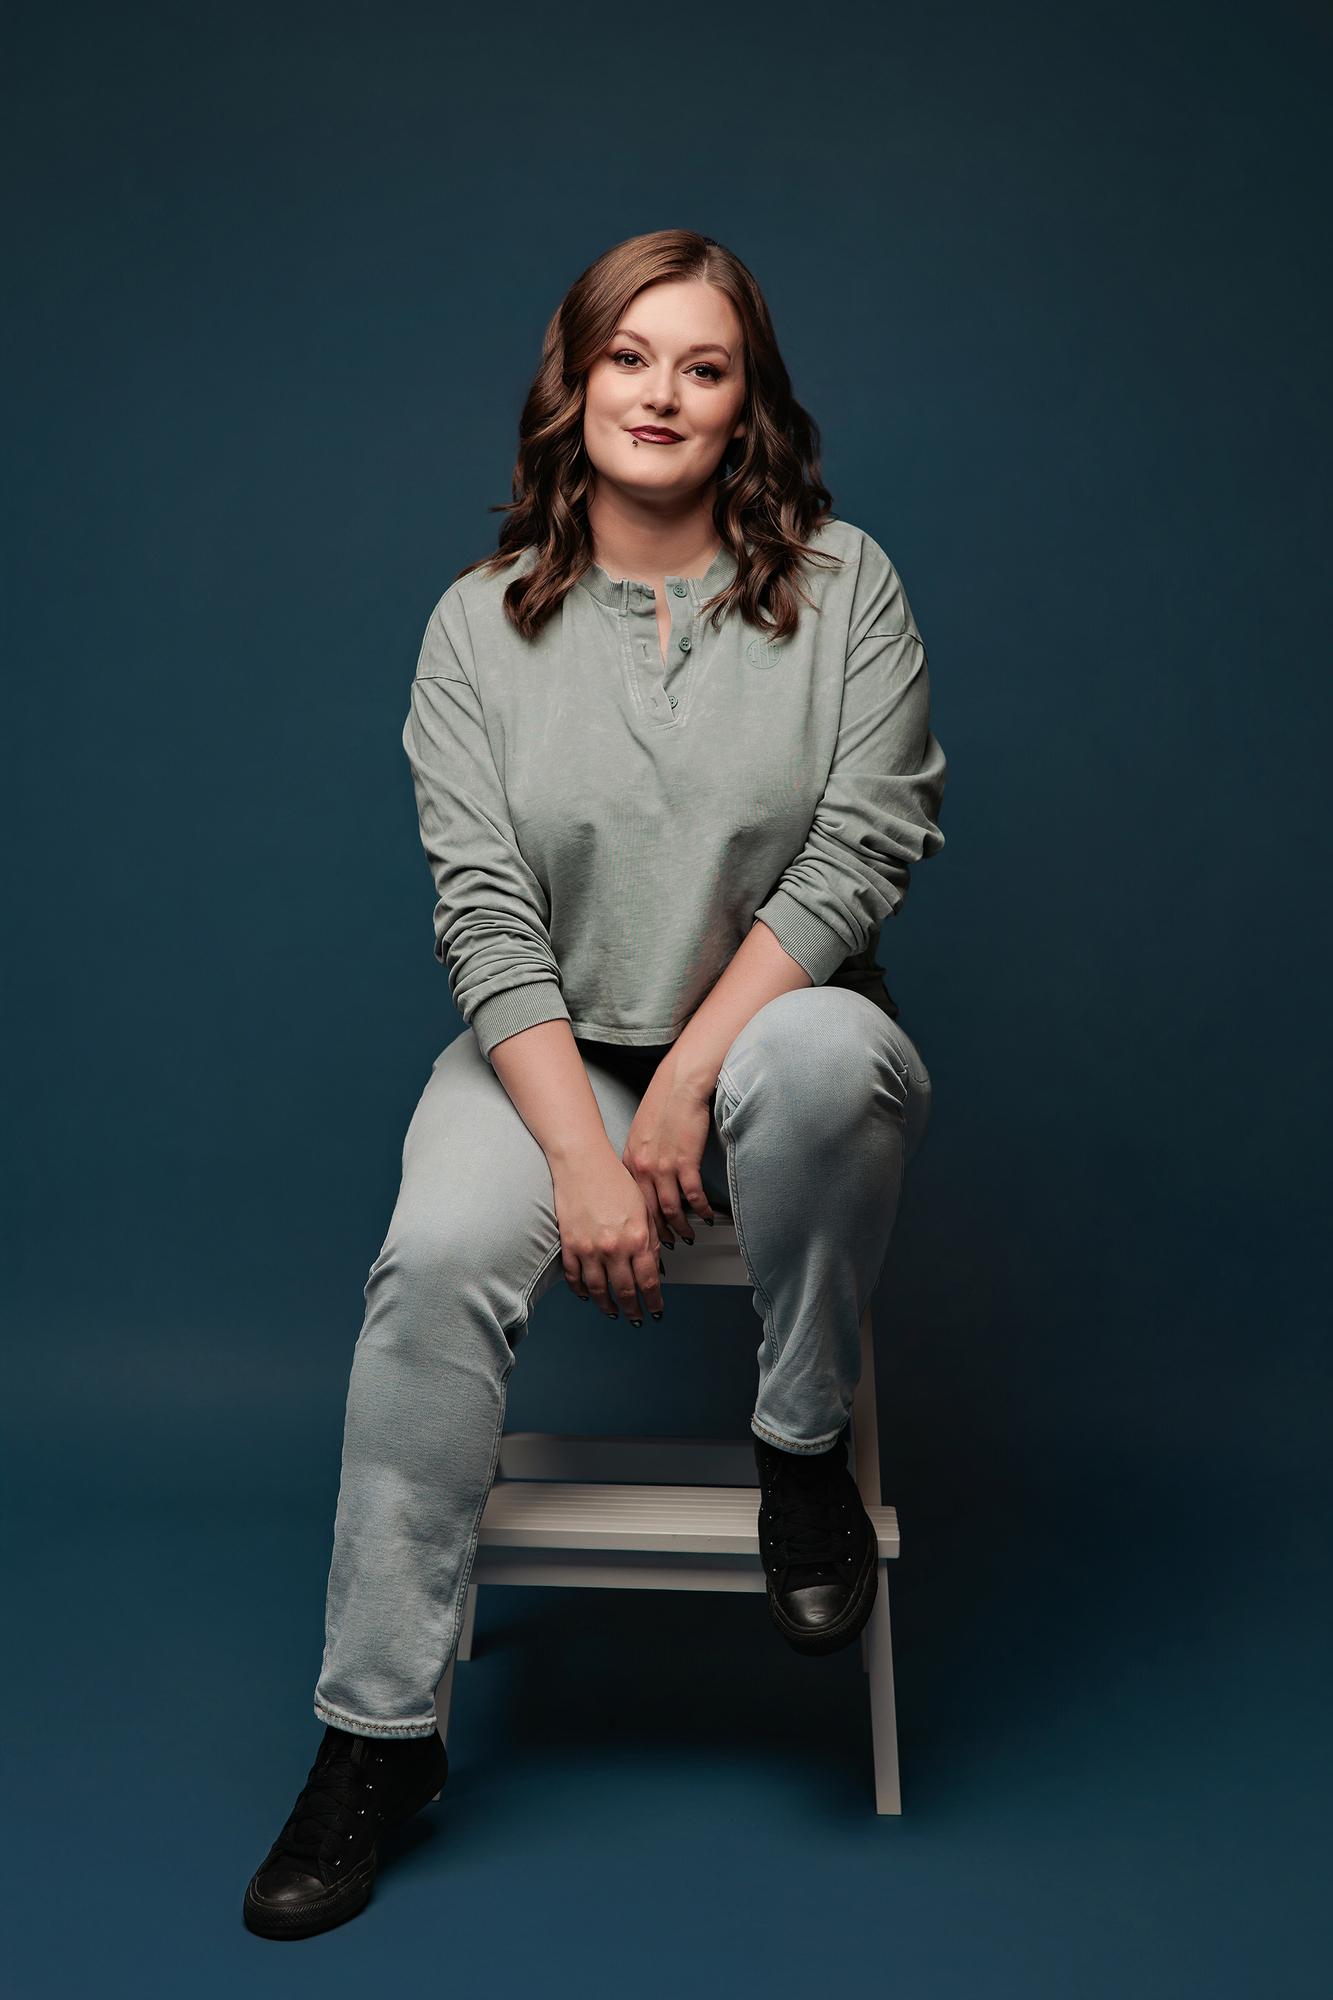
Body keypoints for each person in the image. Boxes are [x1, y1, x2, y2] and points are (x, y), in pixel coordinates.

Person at [242, 227, 947, 1940]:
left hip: (769, 1034)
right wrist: (579, 1150)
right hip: (540, 1045)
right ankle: (376, 1737)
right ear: (577, 381)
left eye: (703, 367)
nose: (663, 393)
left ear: (741, 404)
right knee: (427, 1270)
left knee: (838, 1059)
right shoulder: (477, 627)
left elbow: (867, 842)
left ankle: (797, 1448)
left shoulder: (845, 585)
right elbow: (481, 914)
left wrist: (689, 1077)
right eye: (632, 356)